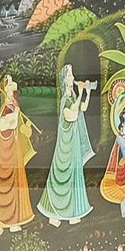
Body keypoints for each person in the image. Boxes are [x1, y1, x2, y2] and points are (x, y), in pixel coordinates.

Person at [0, 74, 38, 231]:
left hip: (14, 148)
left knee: (15, 182)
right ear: (6, 88)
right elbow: (5, 126)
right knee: (3, 182)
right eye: (10, 84)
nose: (13, 86)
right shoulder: (6, 108)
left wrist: (23, 123)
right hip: (6, 150)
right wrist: (14, 115)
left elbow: (17, 125)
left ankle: (14, 220)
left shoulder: (13, 104)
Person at [37, 64, 95, 225]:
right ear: (64, 80)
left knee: (73, 174)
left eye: (72, 75)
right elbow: (71, 115)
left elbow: (83, 107)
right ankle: (53, 213)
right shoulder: (65, 99)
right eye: (70, 76)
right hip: (65, 144)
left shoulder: (72, 96)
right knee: (61, 174)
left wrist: (88, 92)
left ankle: (72, 212)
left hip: (72, 142)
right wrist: (81, 93)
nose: (73, 78)